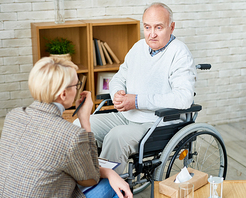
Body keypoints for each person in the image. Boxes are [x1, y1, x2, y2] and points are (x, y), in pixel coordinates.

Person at [74, 2, 197, 174]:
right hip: (127, 116)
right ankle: (82, 178)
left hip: (156, 123)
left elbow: (184, 98)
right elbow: (118, 77)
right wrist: (117, 93)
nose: (151, 34)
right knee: (78, 125)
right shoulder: (138, 47)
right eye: (147, 27)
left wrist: (137, 101)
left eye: (158, 28)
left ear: (172, 27)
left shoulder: (179, 53)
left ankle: (106, 189)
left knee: (116, 137)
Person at [0, 57, 132, 198]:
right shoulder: (71, 135)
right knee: (117, 186)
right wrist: (85, 122)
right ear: (63, 94)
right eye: (77, 85)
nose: (78, 89)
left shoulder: (13, 116)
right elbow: (91, 178)